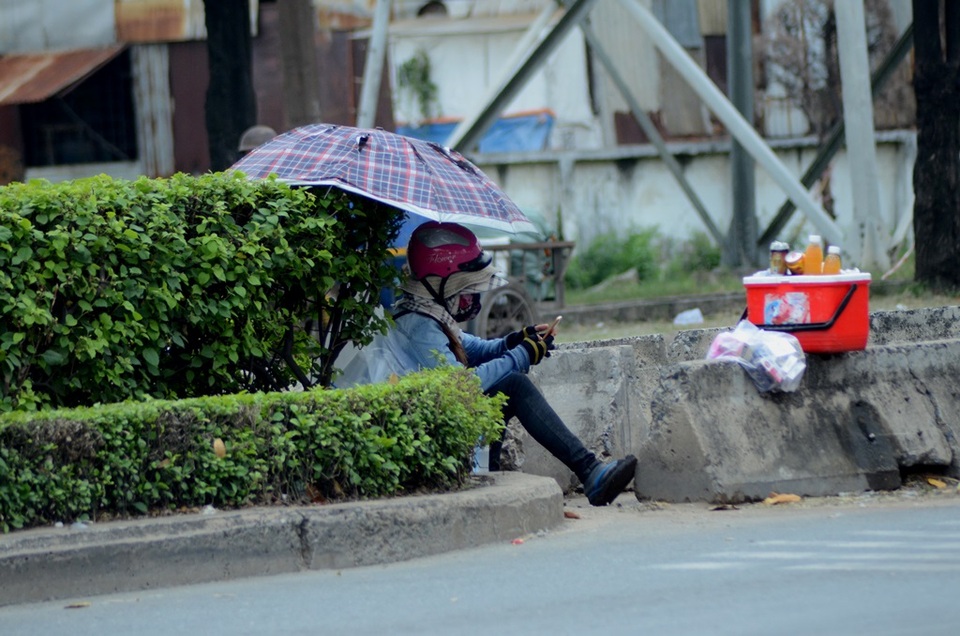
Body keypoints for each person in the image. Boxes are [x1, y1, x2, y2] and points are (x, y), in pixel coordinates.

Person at [387, 221, 637, 506]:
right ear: (442, 284)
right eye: (465, 289)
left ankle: (583, 472)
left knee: (509, 384)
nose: (471, 297)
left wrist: (516, 341)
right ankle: (590, 471)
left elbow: (475, 348)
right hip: (432, 441)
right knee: (513, 385)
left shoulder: (428, 312)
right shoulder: (418, 325)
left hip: (446, 423)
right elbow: (464, 385)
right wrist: (520, 356)